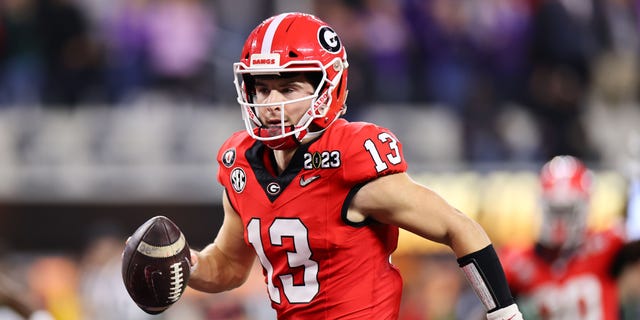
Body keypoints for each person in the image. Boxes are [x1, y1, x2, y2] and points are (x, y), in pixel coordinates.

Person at [187, 12, 522, 320]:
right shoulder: (241, 165)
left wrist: (504, 315)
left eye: (288, 89)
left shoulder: (348, 158)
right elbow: (228, 266)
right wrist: (184, 264)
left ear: (326, 89)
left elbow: (459, 228)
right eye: (262, 89)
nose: (271, 104)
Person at [500, 155, 640, 319]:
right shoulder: (518, 262)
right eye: (555, 210)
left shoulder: (607, 244)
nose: (560, 221)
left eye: (567, 211)